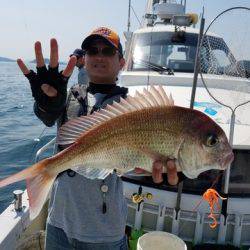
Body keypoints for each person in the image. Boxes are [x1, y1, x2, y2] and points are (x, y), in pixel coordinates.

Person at [17, 27, 181, 250]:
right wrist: (47, 102)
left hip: (105, 233)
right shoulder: (68, 97)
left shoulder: (133, 110)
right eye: (93, 51)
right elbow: (48, 116)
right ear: (84, 59)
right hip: (58, 224)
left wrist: (177, 170)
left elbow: (141, 165)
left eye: (108, 51)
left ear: (122, 62)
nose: (99, 56)